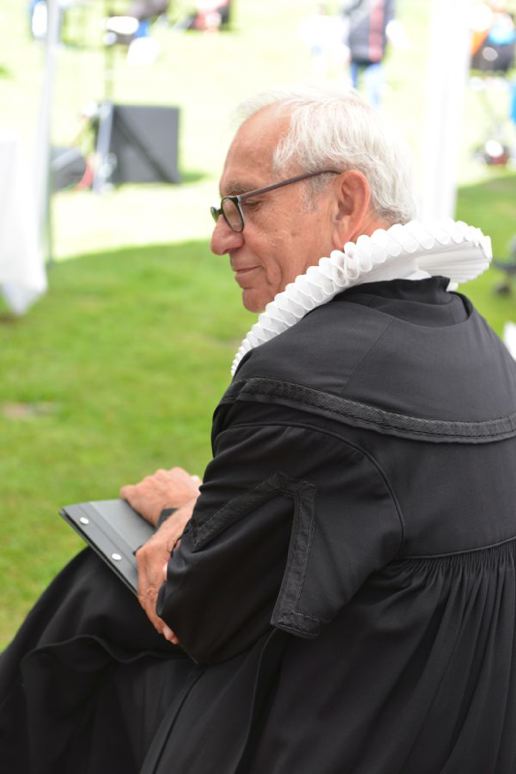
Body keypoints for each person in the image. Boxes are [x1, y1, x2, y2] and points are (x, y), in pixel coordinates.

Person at [1, 87, 516, 774]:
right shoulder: (474, 340)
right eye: (221, 210)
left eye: (245, 204)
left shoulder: (305, 379)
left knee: (93, 602)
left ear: (346, 201)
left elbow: (193, 612)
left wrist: (181, 519)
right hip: (447, 726)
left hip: (336, 737)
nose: (221, 237)